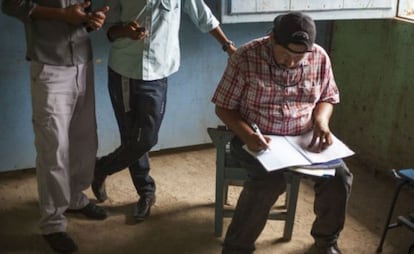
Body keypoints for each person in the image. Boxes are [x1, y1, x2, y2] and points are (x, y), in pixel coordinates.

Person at [211, 12, 353, 254]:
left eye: (299, 57)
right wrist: (246, 135)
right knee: (268, 183)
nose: (291, 63)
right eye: (285, 54)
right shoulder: (246, 57)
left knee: (340, 178)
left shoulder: (319, 57)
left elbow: (328, 97)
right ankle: (237, 248)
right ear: (272, 38)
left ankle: (326, 242)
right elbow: (223, 107)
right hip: (256, 138)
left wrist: (321, 120)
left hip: (302, 140)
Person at [91, 0, 236, 222]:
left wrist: (227, 46)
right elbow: (109, 31)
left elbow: (204, 16)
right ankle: (146, 192)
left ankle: (101, 168)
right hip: (124, 70)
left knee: (146, 138)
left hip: (158, 71)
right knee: (132, 136)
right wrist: (125, 31)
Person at [1, 0, 110, 253]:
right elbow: (10, 4)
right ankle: (52, 224)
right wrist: (62, 15)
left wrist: (91, 20)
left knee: (84, 140)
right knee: (54, 146)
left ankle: (74, 198)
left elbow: (80, 14)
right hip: (49, 63)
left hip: (82, 61)